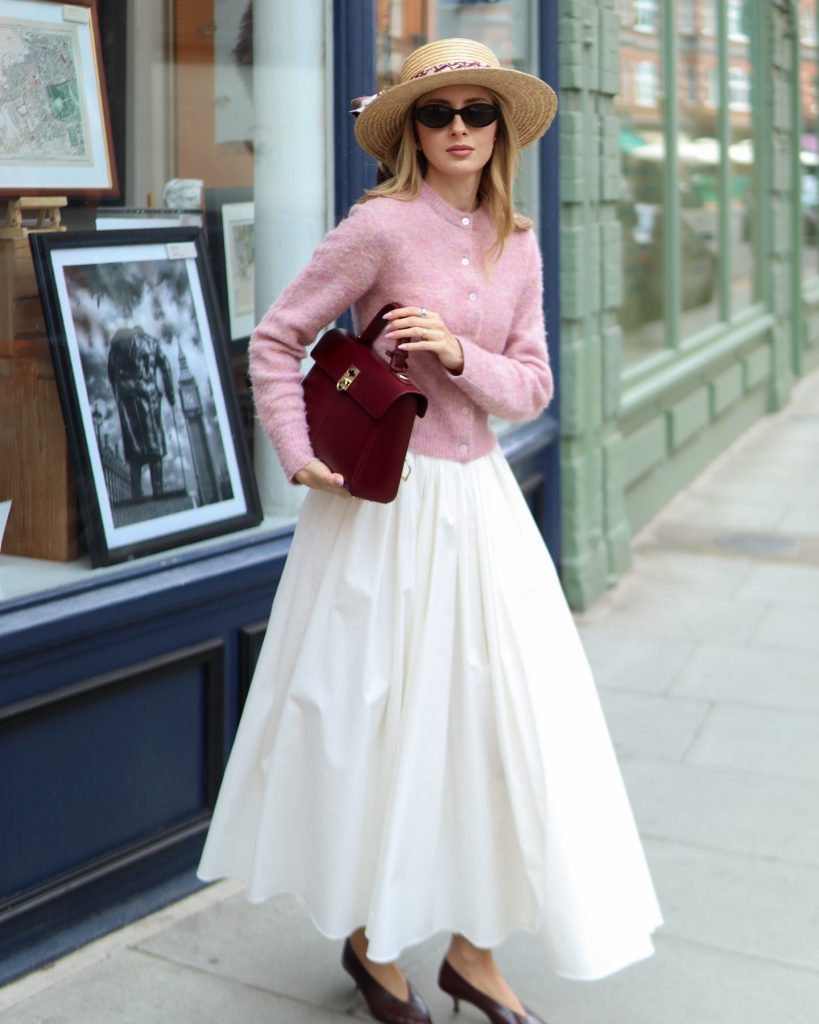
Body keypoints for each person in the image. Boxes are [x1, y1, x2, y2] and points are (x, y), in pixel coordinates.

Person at [198, 38, 662, 1024]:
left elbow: (535, 383)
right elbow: (280, 338)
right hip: (382, 514)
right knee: (378, 726)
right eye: (437, 112)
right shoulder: (380, 228)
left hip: (483, 508)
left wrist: (459, 355)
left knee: (502, 731)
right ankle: (372, 938)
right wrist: (293, 447)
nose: (458, 129)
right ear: (411, 129)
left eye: (475, 112)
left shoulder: (520, 239)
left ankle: (474, 953)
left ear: (501, 129)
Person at [106, 326, 175, 499]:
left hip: (126, 396)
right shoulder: (151, 342)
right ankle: (158, 490)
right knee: (155, 446)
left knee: (133, 446)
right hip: (149, 394)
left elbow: (111, 372)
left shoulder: (117, 345)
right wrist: (170, 394)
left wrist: (118, 396)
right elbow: (165, 366)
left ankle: (137, 493)